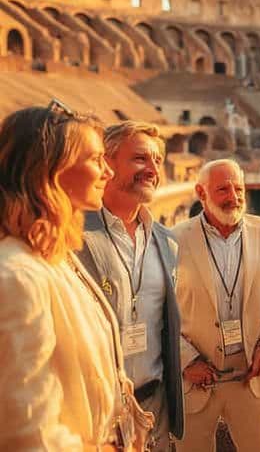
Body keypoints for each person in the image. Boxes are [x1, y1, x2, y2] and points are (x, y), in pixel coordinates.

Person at [0, 103, 153, 450]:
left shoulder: (57, 256)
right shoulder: (16, 276)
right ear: (49, 169)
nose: (108, 173)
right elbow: (25, 433)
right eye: (96, 159)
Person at [174, 159, 260, 452]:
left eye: (238, 188)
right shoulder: (172, 239)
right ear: (201, 193)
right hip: (195, 379)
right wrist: (187, 360)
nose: (234, 197)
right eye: (223, 189)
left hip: (253, 376)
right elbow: (159, 310)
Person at [77, 121, 184, 451]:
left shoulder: (168, 242)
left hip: (156, 410)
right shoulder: (74, 236)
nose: (153, 168)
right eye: (140, 158)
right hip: (98, 413)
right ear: (107, 164)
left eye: (157, 160)